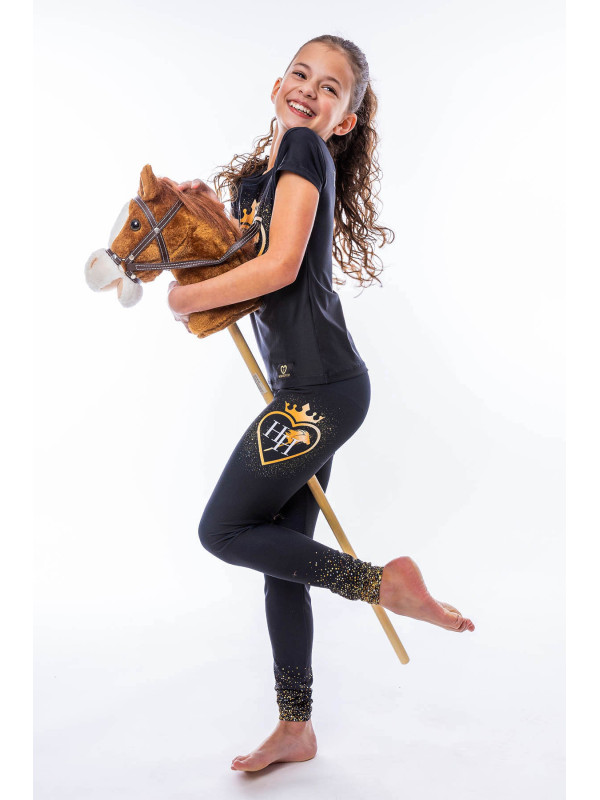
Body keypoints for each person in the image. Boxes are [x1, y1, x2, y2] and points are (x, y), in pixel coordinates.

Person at [168, 35, 475, 773]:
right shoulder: (264, 177)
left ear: (345, 120)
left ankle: (382, 585)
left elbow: (276, 269)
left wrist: (186, 300)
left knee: (224, 529)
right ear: (277, 84)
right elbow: (252, 261)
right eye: (300, 74)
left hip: (319, 391)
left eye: (330, 87)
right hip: (308, 388)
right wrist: (206, 222)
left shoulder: (306, 151)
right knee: (283, 560)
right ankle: (295, 727)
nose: (309, 89)